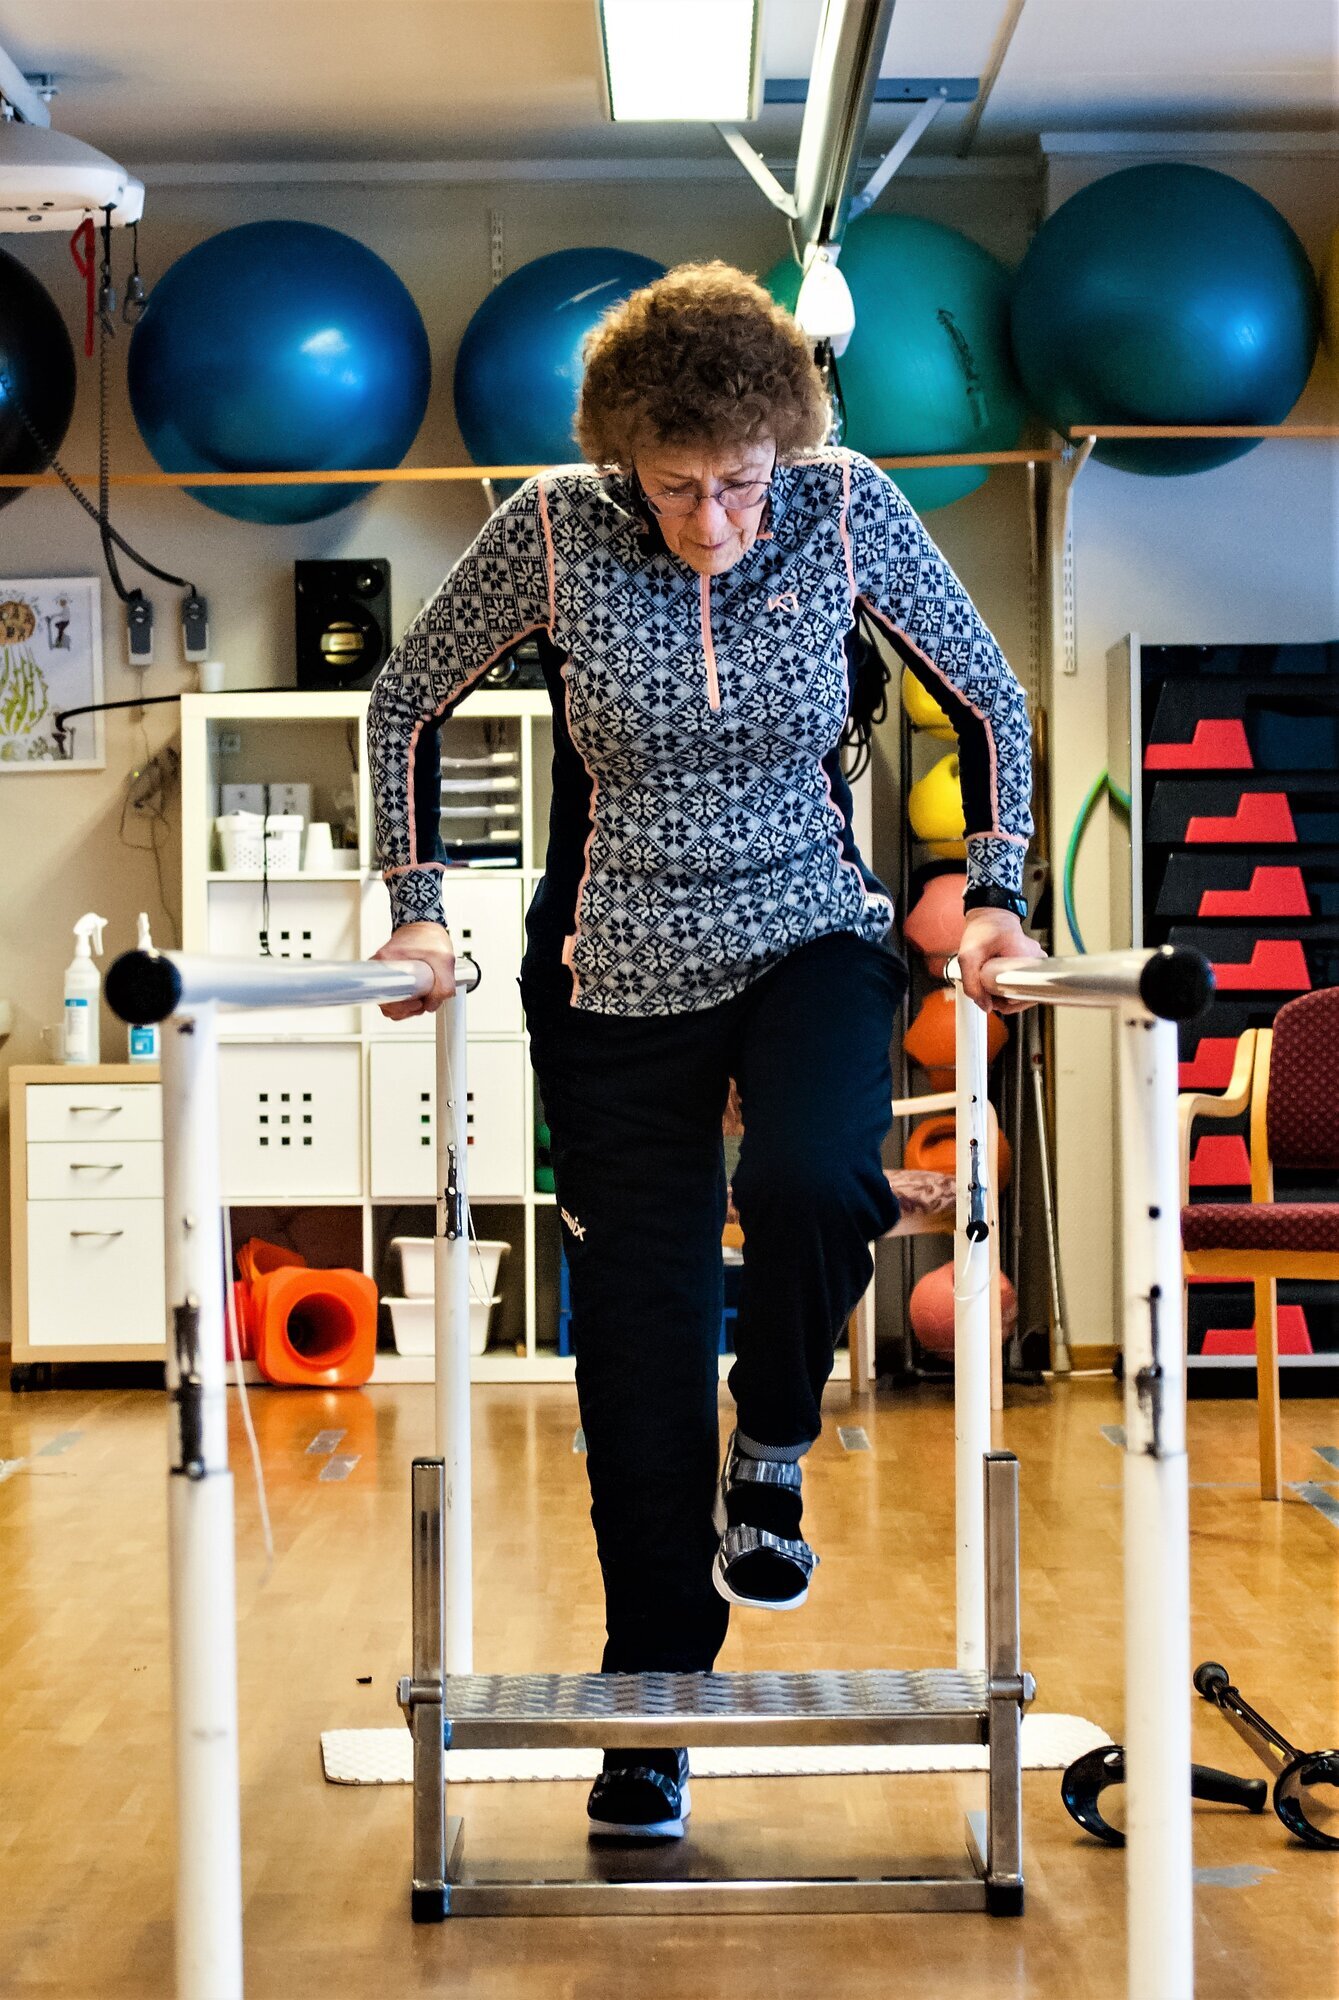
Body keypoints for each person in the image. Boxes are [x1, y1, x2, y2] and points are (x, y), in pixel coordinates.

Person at [369, 261, 1041, 1842]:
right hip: (611, 973)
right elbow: (404, 699)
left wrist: (999, 893)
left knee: (818, 1181)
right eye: (676, 489)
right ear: (624, 461)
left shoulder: (847, 502)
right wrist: (416, 908)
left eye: (740, 484)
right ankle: (654, 1708)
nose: (715, 520)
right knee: (641, 1346)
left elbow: (989, 695)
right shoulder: (550, 527)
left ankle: (781, 1445)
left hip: (810, 929)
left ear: (782, 454)